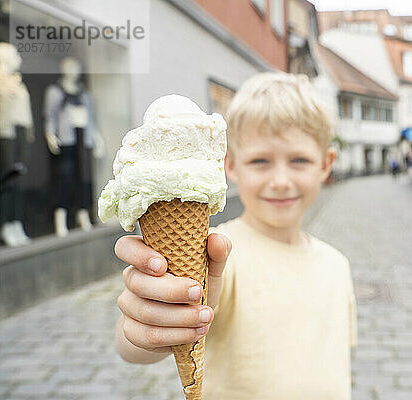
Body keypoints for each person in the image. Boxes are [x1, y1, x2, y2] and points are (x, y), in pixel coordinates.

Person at [113, 72, 358, 399]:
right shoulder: (218, 255)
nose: (281, 180)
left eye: (299, 160)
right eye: (260, 161)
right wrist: (140, 329)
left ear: (326, 164)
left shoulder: (337, 264)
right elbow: (137, 346)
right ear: (229, 166)